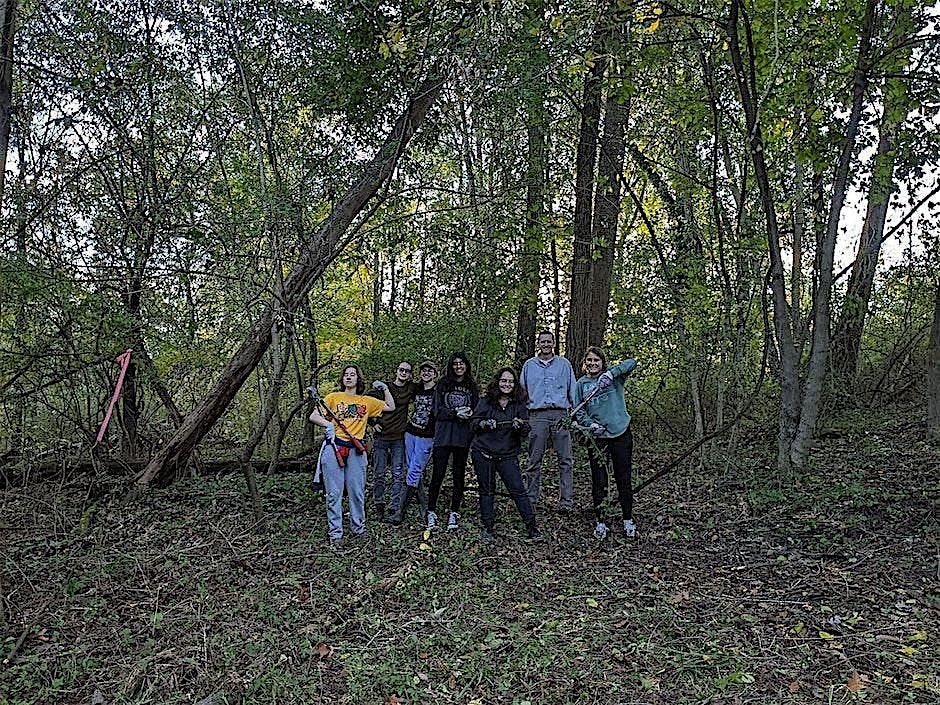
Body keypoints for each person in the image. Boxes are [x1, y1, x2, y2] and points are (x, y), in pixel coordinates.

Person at [309, 364, 394, 547]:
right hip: (334, 448)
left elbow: (390, 406)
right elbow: (314, 416)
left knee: (357, 492)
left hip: (357, 450)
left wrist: (385, 388)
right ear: (342, 379)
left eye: (353, 374)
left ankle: (358, 529)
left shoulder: (367, 401)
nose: (349, 377)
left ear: (358, 379)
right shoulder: (332, 397)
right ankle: (336, 534)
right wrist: (328, 425)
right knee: (334, 494)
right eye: (346, 374)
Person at [471, 367, 544, 542]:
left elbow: (526, 429)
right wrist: (484, 424)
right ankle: (488, 528)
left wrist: (520, 426)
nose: (507, 384)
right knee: (487, 490)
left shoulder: (518, 404)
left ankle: (533, 529)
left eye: (510, 381)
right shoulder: (486, 401)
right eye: (504, 381)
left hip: (507, 455)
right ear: (498, 382)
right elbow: (473, 423)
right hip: (484, 453)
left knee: (518, 490)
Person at [572, 346, 638, 539]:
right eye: (589, 360)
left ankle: (627, 519)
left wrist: (611, 373)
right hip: (598, 438)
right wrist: (590, 424)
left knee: (623, 478)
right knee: (599, 480)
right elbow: (579, 411)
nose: (593, 364)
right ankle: (601, 521)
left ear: (602, 363)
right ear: (585, 363)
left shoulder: (614, 379)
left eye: (597, 360)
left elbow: (631, 363)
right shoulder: (581, 385)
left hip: (621, 434)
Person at [519, 330, 577, 512]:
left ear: (553, 343)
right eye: (542, 341)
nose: (546, 344)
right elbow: (522, 392)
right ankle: (531, 498)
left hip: (561, 414)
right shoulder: (529, 366)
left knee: (565, 459)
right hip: (537, 415)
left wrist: (574, 415)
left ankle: (566, 501)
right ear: (538, 344)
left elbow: (573, 390)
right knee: (534, 458)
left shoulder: (564, 364)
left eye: (549, 341)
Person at [427, 351, 479, 530]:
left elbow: (476, 410)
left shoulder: (471, 386)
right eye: (455, 363)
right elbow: (437, 410)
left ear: (466, 365)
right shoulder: (443, 384)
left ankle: (454, 511)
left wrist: (470, 415)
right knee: (438, 473)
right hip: (443, 436)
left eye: (461, 363)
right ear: (451, 366)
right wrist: (455, 413)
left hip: (462, 438)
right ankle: (431, 510)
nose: (458, 366)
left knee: (459, 475)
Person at [390, 359, 437, 525]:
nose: (426, 373)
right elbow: (399, 398)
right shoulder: (415, 388)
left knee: (415, 469)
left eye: (430, 370)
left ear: (435, 374)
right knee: (411, 470)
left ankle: (400, 512)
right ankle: (424, 506)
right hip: (410, 433)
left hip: (428, 435)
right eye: (424, 370)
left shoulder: (439, 391)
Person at [367, 361, 416, 520]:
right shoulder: (383, 388)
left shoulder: (410, 389)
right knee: (379, 473)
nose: (403, 373)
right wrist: (372, 423)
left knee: (397, 474)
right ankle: (379, 504)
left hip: (399, 437)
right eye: (401, 369)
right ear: (396, 371)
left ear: (410, 375)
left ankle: (394, 507)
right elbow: (364, 404)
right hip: (381, 437)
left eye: (407, 371)